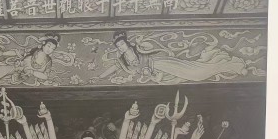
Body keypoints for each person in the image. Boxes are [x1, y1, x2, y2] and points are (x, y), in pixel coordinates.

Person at [97, 31, 246, 84]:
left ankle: (232, 66)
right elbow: (113, 68)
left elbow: (154, 49)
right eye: (118, 46)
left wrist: (148, 67)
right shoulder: (123, 60)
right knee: (191, 77)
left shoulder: (138, 47)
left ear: (126, 42)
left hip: (160, 64)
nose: (120, 47)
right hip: (158, 74)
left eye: (121, 44)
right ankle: (229, 66)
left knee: (195, 74)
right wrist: (99, 77)